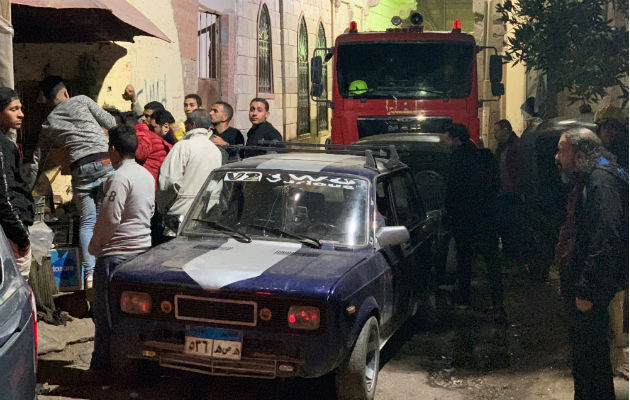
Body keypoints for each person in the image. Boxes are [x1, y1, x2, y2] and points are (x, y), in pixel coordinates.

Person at [554, 128, 628, 400]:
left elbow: (607, 237)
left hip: (593, 288)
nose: (557, 157)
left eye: (562, 150)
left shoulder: (601, 181)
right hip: (594, 283)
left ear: (581, 153)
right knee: (589, 357)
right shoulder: (601, 173)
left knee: (590, 359)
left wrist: (587, 288)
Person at [35, 76, 116, 289]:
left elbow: (38, 158)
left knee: (88, 221)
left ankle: (89, 276)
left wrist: (30, 182)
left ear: (49, 99)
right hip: (104, 160)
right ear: (65, 93)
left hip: (80, 168)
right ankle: (114, 270)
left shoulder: (49, 122)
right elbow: (111, 122)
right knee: (112, 215)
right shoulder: (81, 100)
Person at [88, 124, 154, 372]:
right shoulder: (145, 175)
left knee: (106, 317)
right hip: (140, 252)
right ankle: (135, 367)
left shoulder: (119, 177)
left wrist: (96, 246)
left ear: (113, 150)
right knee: (132, 316)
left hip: (116, 255)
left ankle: (102, 369)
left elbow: (110, 218)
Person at [444, 124, 504, 319]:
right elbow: (496, 184)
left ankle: (464, 298)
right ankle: (498, 303)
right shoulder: (485, 157)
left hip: (465, 219)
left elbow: (451, 191)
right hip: (487, 217)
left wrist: (450, 214)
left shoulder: (456, 160)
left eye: (449, 139)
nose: (447, 143)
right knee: (492, 261)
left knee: (465, 260)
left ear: (456, 140)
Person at [157, 109, 222, 237]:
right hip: (206, 214)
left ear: (192, 124)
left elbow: (169, 182)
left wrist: (163, 207)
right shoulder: (215, 150)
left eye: (186, 122)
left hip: (179, 215)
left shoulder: (183, 146)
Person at [0, 87, 34, 280]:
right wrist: (21, 236)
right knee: (17, 292)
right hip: (9, 237)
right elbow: (4, 196)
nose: (21, 114)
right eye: (13, 109)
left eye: (20, 108)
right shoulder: (3, 147)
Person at [493, 119, 525, 264]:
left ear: (505, 130)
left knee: (511, 228)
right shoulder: (503, 147)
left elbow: (516, 171)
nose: (495, 134)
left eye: (497, 130)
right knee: (506, 227)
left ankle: (513, 258)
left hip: (511, 194)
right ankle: (510, 257)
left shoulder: (514, 147)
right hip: (505, 193)